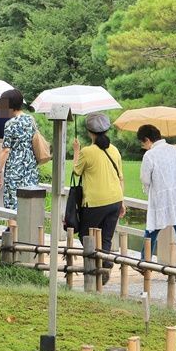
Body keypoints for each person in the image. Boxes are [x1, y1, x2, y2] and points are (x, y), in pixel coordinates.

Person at [72, 113, 126, 280]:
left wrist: (76, 151)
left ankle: (97, 265)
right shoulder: (114, 150)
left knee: (85, 235)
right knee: (106, 237)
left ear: (89, 132)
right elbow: (120, 177)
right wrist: (122, 202)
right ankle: (105, 264)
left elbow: (76, 171)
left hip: (95, 202)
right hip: (115, 200)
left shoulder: (87, 152)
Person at [137, 124, 176, 269]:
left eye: (142, 143)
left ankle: (144, 261)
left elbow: (145, 179)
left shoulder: (150, 155)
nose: (143, 146)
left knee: (152, 230)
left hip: (161, 197)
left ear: (147, 139)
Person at [0, 89, 39, 210]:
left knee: (13, 203)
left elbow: (6, 150)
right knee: (28, 203)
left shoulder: (10, 124)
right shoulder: (31, 120)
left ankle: (13, 229)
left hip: (15, 169)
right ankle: (27, 229)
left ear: (9, 106)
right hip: (30, 167)